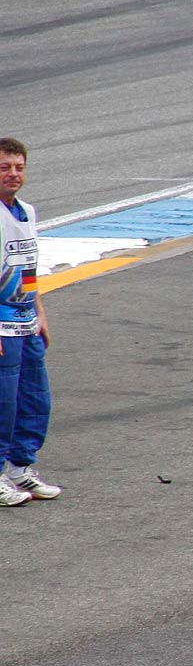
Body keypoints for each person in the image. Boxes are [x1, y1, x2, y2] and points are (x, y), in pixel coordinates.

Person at [0, 137, 59, 506]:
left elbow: (28, 268)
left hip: (26, 321)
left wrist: (41, 313)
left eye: (19, 167)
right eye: (5, 167)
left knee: (35, 399)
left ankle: (21, 467)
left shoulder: (27, 211)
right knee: (2, 404)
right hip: (2, 326)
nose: (13, 174)